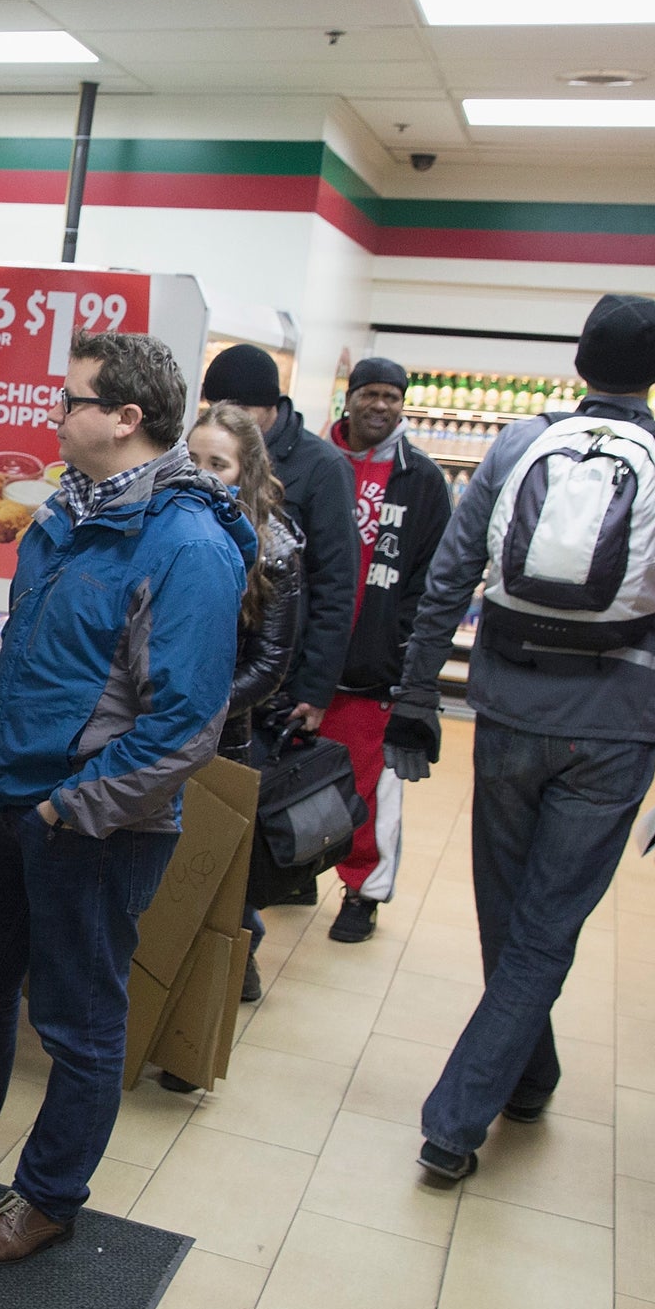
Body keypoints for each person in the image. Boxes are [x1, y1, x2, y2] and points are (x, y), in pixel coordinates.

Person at [0, 331, 253, 1266]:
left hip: (95, 824)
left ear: (126, 418)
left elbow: (186, 727)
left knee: (78, 1017)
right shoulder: (68, 511)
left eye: (71, 401)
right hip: (10, 795)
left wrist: (73, 808)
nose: (54, 416)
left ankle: (51, 1198)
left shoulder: (187, 544)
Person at [388, 293, 655, 1182]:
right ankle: (458, 1121)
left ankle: (527, 1076)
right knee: (544, 927)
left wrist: (418, 693)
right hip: (614, 726)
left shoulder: (515, 443)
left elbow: (451, 575)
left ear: (578, 362)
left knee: (511, 914)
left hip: (506, 708)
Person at [317, 358, 452, 943]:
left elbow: (434, 577)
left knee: (371, 789)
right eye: (370, 394)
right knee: (292, 778)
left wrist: (408, 658)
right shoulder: (318, 463)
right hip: (307, 669)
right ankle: (294, 870)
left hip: (375, 672)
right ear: (348, 399)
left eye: (392, 397)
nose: (381, 406)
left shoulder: (422, 480)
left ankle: (362, 893)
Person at [188, 402, 303, 1007]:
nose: (206, 475)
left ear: (246, 472)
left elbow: (268, 668)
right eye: (196, 459)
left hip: (222, 741)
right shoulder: (168, 522)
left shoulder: (274, 549)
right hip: (151, 735)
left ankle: (227, 975)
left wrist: (195, 708)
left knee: (216, 879)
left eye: (220, 464)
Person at [201, 344, 357, 740]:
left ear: (270, 405)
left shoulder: (322, 467)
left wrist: (315, 688)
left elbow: (335, 584)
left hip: (278, 677)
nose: (229, 420)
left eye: (243, 411)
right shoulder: (206, 453)